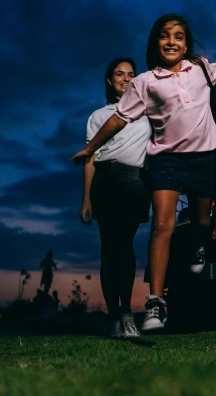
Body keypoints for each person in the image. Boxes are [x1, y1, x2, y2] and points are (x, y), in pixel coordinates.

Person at [71, 14, 216, 332]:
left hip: (203, 159)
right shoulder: (145, 82)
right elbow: (119, 118)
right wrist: (90, 148)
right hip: (166, 161)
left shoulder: (201, 68)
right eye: (165, 35)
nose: (171, 41)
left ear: (186, 43)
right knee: (163, 224)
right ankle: (155, 303)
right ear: (156, 42)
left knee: (202, 220)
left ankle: (198, 245)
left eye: (178, 36)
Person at [79, 58, 151, 339]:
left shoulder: (147, 113)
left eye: (131, 74)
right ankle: (115, 318)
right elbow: (90, 158)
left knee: (125, 245)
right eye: (119, 74)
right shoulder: (98, 116)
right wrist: (86, 199)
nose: (125, 78)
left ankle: (126, 314)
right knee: (109, 248)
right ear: (109, 80)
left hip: (135, 181)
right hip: (105, 180)